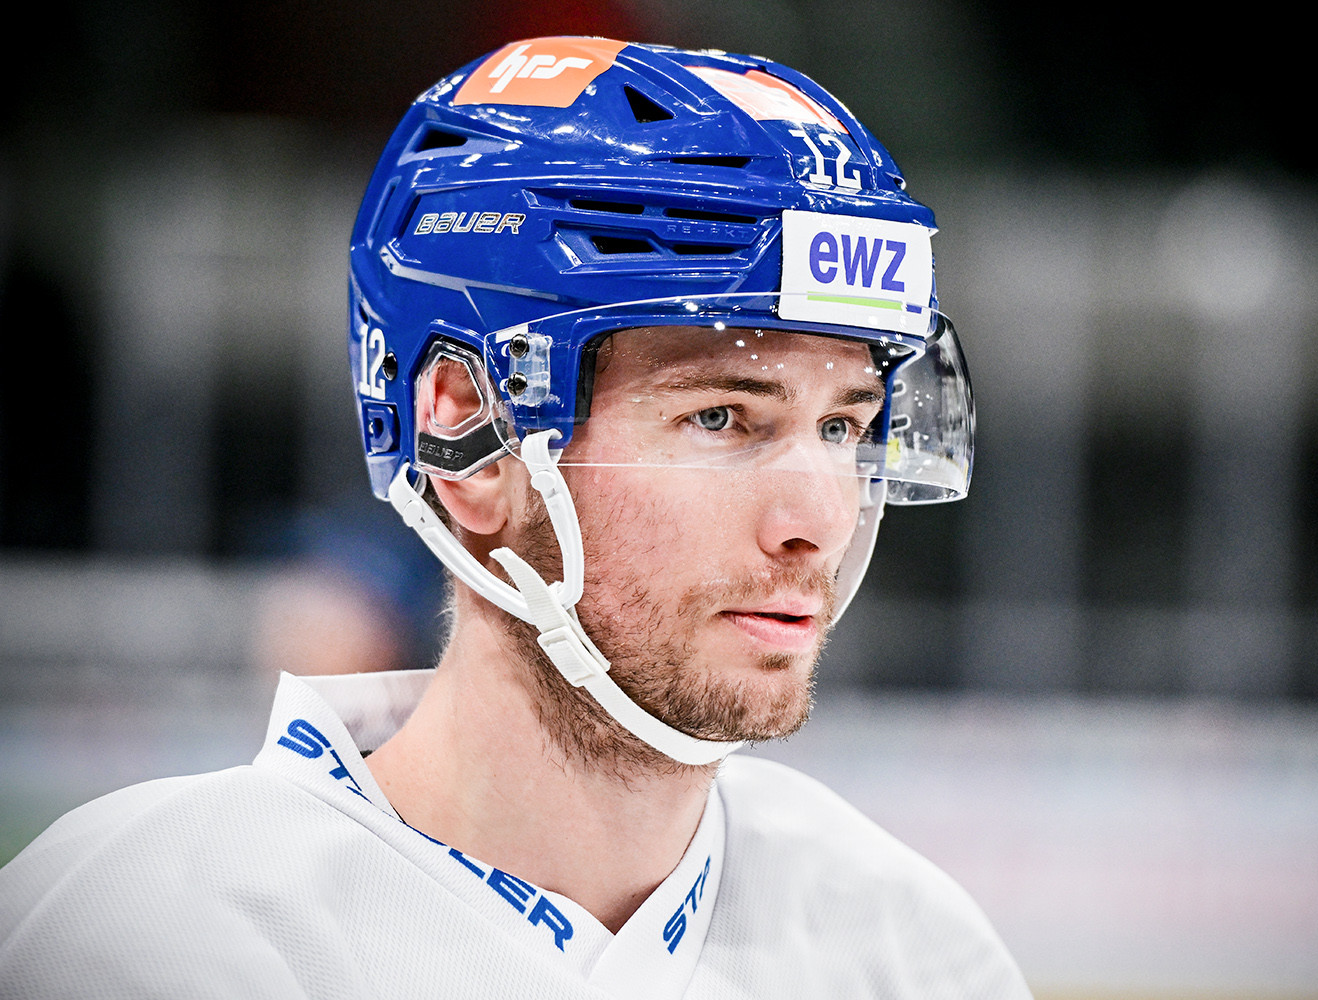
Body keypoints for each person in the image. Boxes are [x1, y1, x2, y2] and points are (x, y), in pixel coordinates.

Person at [0, 37, 1031, 998]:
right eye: (722, 416)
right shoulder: (138, 939)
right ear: (472, 439)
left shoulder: (914, 952)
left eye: (845, 428)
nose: (820, 521)